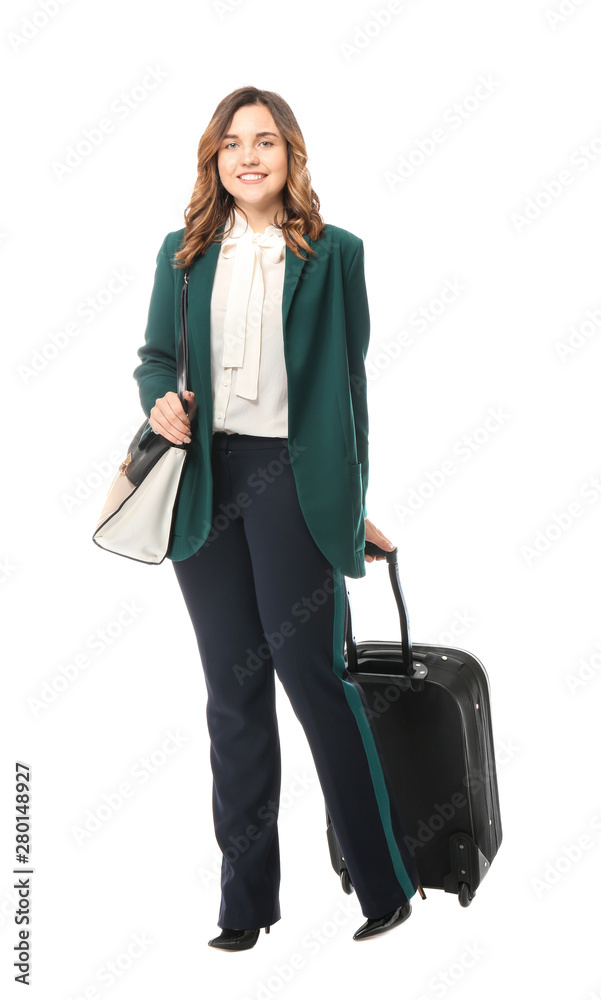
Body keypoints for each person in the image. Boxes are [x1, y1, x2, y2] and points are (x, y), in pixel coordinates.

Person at [133, 86, 424, 949]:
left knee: (315, 682)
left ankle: (384, 883)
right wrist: (159, 404)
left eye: (264, 141)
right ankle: (244, 906)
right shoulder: (181, 255)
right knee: (233, 693)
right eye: (232, 144)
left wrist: (355, 498)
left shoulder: (336, 255)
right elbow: (154, 358)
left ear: (291, 156)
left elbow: (351, 388)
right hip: (206, 479)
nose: (248, 156)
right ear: (213, 160)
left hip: (294, 482)